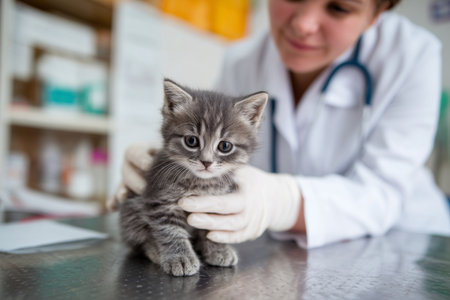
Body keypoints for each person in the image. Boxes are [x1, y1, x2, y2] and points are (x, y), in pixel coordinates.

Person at [108, 0, 450, 248]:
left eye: (339, 8)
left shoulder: (412, 55)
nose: (303, 24)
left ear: (377, 14)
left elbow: (383, 192)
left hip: (402, 245)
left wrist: (282, 200)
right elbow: (204, 134)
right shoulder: (241, 58)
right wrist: (161, 168)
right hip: (277, 251)